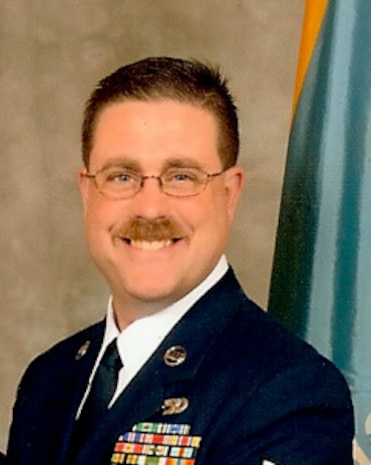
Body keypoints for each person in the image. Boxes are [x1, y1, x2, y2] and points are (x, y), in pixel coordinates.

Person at [6, 57, 354, 465]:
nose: (150, 208)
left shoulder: (289, 392)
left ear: (229, 193)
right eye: (122, 176)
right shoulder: (50, 378)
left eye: (181, 177)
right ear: (87, 192)